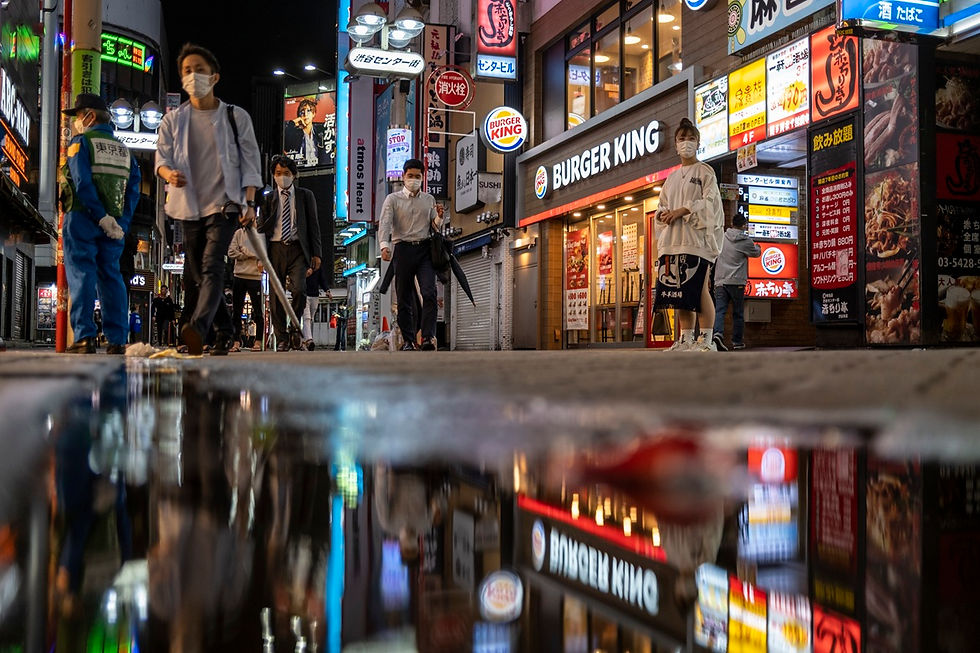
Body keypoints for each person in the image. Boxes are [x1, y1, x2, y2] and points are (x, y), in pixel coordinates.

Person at [155, 43, 262, 356]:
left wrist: (249, 203)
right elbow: (161, 159)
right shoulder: (173, 120)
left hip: (224, 206)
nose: (193, 76)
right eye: (187, 71)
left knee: (212, 266)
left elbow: (250, 161)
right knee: (198, 276)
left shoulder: (235, 117)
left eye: (199, 70)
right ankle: (225, 332)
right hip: (188, 208)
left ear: (214, 76)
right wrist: (169, 174)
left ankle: (197, 328)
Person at [60, 93, 142, 354]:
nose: (76, 122)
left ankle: (85, 337)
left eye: (78, 116)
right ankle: (117, 340)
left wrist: (99, 216)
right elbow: (133, 192)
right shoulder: (126, 152)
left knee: (82, 273)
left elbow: (82, 183)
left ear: (90, 116)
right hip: (115, 225)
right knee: (111, 275)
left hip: (82, 217)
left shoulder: (80, 143)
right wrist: (120, 223)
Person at [653, 118, 724, 352]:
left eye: (691, 138)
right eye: (682, 139)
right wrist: (663, 214)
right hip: (673, 242)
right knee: (680, 293)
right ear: (675, 144)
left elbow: (710, 203)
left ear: (698, 143)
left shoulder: (705, 171)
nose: (686, 143)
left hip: (697, 242)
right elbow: (662, 206)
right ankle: (685, 339)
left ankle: (706, 340)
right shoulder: (671, 178)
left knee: (700, 289)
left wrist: (682, 211)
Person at [379, 158, 445, 351]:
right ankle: (408, 340)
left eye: (417, 176)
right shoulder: (393, 199)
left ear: (422, 178)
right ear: (403, 176)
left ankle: (427, 337)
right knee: (404, 297)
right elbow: (385, 223)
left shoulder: (428, 199)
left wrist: (440, 217)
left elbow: (435, 226)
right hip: (402, 249)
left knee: (429, 293)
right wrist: (384, 246)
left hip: (424, 249)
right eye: (410, 176)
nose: (414, 179)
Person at [258, 155, 322, 351]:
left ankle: (295, 328)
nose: (282, 177)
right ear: (273, 175)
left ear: (294, 175)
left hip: (298, 249)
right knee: (276, 296)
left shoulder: (305, 196)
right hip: (275, 249)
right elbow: (260, 229)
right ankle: (282, 338)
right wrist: (261, 257)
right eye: (278, 173)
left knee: (299, 290)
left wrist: (317, 253)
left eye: (286, 173)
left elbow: (313, 225)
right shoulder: (267, 199)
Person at [712, 213, 761, 351]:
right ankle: (737, 342)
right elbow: (756, 253)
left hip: (720, 280)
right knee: (738, 313)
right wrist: (758, 247)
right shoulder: (746, 241)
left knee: (719, 311)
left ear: (732, 224)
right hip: (737, 282)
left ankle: (717, 334)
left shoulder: (722, 237)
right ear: (744, 225)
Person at [227, 226, 264, 352]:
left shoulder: (259, 233)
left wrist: (243, 251)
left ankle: (258, 341)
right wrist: (249, 254)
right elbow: (231, 252)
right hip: (239, 275)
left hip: (255, 276)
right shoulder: (238, 233)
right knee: (236, 311)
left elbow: (261, 253)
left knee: (258, 311)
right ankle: (236, 342)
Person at [284, 98, 329, 167]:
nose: (305, 114)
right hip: (301, 170)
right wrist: (292, 123)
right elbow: (284, 143)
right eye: (302, 112)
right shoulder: (293, 134)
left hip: (319, 170)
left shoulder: (321, 132)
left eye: (308, 111)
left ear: (313, 114)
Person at [301, 265, 329, 351]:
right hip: (304, 295)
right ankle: (309, 340)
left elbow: (322, 279)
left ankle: (303, 340)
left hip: (315, 295)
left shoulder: (318, 267)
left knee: (310, 319)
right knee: (307, 318)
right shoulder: (302, 264)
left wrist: (327, 290)